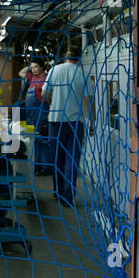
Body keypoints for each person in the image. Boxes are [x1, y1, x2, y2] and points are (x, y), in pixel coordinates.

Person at [43, 47, 92, 208]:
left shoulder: (54, 70)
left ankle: (57, 193)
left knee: (57, 158)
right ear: (79, 58)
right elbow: (89, 100)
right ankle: (67, 197)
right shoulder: (83, 73)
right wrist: (92, 120)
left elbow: (44, 94)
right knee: (72, 160)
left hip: (56, 120)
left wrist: (53, 101)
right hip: (76, 122)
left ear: (65, 56)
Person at [20, 61, 46, 126]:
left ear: (42, 67)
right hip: (29, 111)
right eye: (32, 68)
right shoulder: (32, 77)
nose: (33, 70)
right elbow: (21, 73)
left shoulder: (46, 79)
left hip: (40, 111)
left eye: (36, 67)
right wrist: (29, 66)